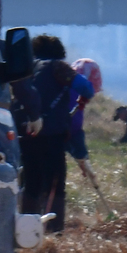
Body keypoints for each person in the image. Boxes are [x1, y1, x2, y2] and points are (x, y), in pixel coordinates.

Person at [19, 35, 92, 234]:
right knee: (55, 184)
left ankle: (27, 232)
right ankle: (53, 231)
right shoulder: (58, 68)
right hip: (52, 134)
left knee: (31, 182)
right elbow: (86, 88)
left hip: (26, 132)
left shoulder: (27, 67)